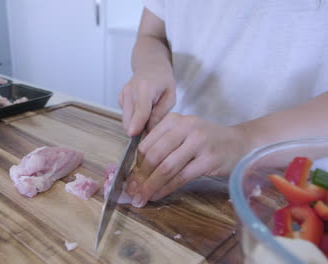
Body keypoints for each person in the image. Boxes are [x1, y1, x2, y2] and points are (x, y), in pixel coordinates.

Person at [120, 0, 328, 208]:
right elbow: (151, 35)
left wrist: (245, 140)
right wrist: (151, 66)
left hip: (302, 186)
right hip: (180, 164)